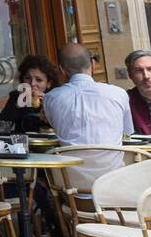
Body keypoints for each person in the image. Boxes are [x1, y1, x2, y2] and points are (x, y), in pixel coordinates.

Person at [42, 42, 133, 186]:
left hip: (74, 197)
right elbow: (127, 134)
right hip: (116, 195)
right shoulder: (118, 94)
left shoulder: (51, 98)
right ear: (93, 64)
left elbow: (56, 127)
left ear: (62, 70)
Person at [0, 55, 65, 134]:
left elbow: (65, 127)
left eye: (38, 80)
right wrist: (16, 106)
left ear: (48, 83)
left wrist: (49, 107)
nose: (32, 84)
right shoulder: (17, 96)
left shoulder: (56, 98)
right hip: (22, 143)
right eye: (27, 78)